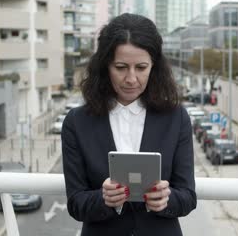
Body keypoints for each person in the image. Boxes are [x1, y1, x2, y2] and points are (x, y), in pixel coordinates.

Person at [61, 13, 197, 236]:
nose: (131, 79)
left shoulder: (176, 118)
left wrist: (167, 199)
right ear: (105, 66)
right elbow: (75, 202)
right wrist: (102, 199)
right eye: (121, 67)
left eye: (141, 68)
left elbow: (188, 197)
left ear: (154, 66)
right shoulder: (77, 122)